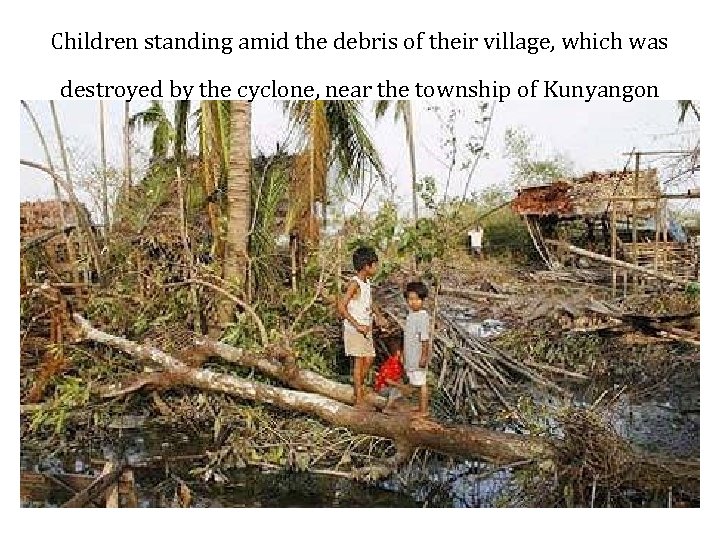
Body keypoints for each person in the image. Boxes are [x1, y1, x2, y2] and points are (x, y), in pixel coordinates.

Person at [337, 246, 379, 410]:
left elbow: (369, 303)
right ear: (366, 266)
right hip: (355, 329)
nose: (376, 268)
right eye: (375, 265)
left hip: (365, 328)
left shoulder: (367, 283)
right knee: (359, 362)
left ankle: (358, 389)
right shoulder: (354, 283)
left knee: (369, 358)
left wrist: (378, 316)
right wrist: (357, 325)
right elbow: (341, 307)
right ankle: (359, 400)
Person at [404, 281, 431, 417]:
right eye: (410, 299)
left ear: (422, 300)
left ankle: (424, 410)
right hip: (412, 355)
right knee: (416, 381)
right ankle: (421, 406)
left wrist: (424, 356)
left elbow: (425, 338)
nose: (413, 302)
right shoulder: (411, 315)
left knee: (421, 383)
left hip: (418, 355)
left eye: (416, 299)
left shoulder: (422, 316)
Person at [374, 337, 404, 413]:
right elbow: (387, 380)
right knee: (396, 389)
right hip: (382, 388)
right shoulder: (393, 363)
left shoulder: (399, 364)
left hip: (388, 389)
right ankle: (387, 408)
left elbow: (398, 378)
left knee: (398, 389)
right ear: (398, 353)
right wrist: (401, 386)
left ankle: (392, 406)